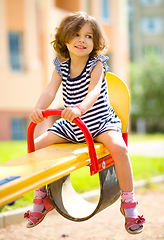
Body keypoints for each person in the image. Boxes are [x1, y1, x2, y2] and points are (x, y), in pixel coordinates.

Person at [24, 11, 145, 234]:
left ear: (95, 41)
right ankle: (41, 197)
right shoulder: (61, 66)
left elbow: (94, 91)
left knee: (119, 148)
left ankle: (129, 204)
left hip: (99, 122)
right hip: (72, 126)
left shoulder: (96, 64)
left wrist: (80, 108)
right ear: (65, 40)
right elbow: (50, 90)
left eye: (89, 36)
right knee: (35, 148)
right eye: (77, 34)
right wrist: (38, 109)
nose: (82, 39)